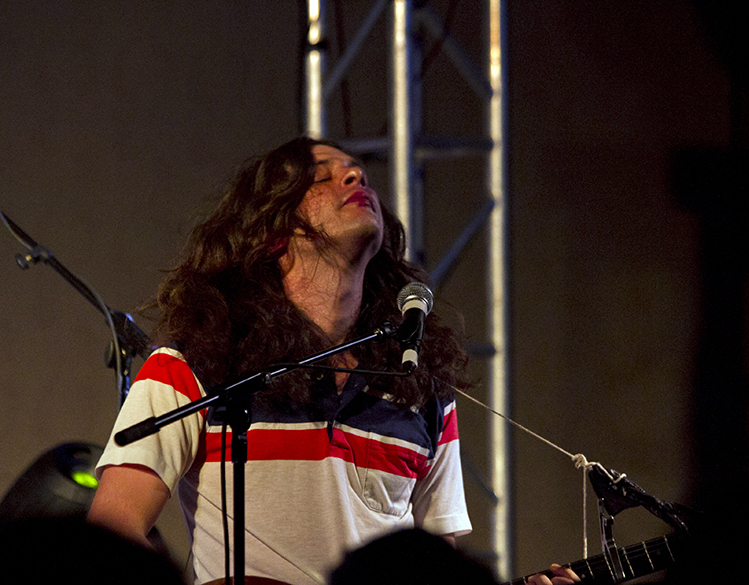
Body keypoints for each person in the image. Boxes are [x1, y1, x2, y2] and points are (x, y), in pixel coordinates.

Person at [87, 136, 577, 585]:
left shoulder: (418, 384)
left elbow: (434, 567)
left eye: (358, 172)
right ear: (272, 232)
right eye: (321, 177)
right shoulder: (195, 363)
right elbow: (113, 527)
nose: (356, 176)